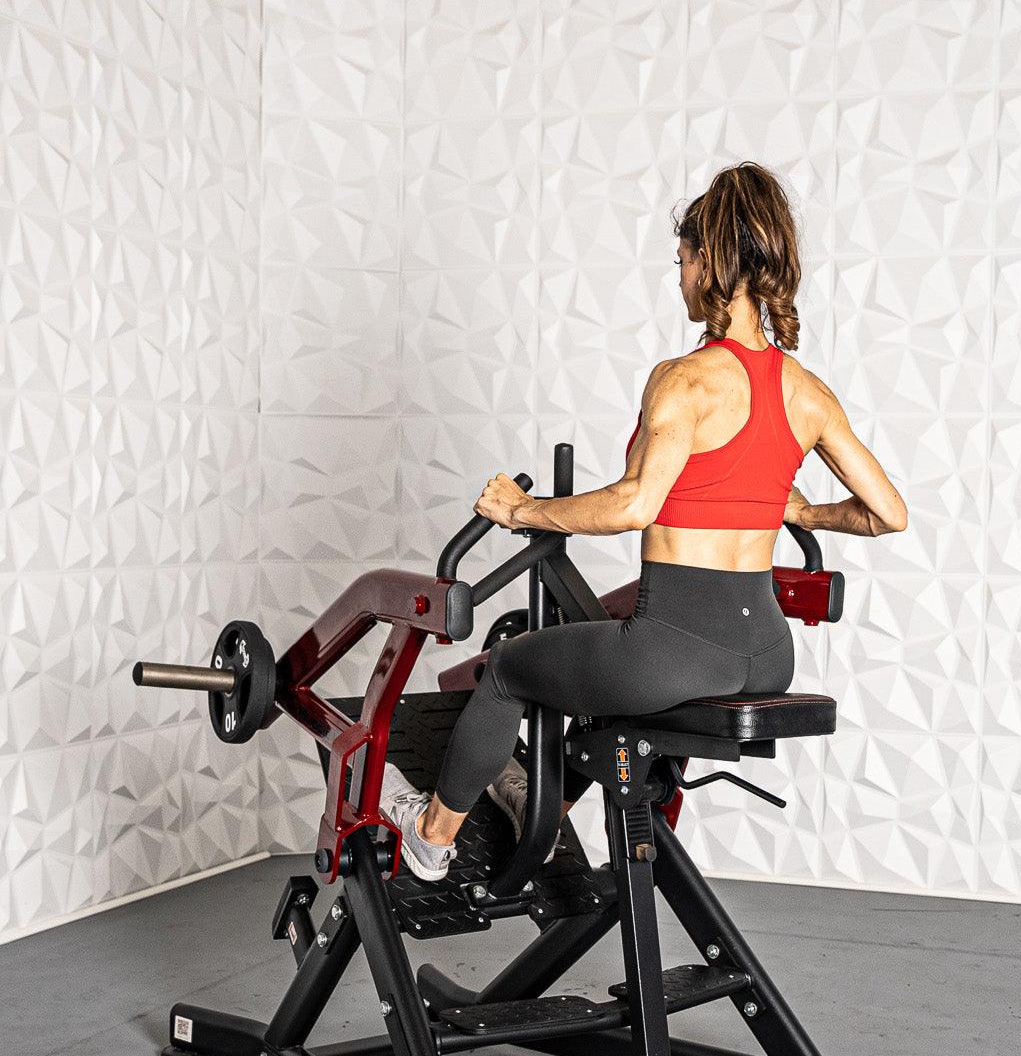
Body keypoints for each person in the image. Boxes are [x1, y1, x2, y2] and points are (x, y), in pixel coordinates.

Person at [381, 161, 909, 882]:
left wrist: (523, 510)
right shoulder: (806, 392)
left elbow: (635, 504)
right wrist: (802, 511)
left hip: (674, 650)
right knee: (592, 677)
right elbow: (890, 514)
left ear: (708, 261)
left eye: (683, 260)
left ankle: (432, 838)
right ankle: (544, 808)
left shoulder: (685, 380)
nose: (681, 277)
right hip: (767, 654)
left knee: (507, 669)